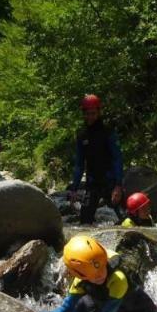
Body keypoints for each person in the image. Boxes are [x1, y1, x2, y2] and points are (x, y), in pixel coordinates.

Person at [67, 94, 124, 225]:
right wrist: (74, 188)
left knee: (126, 219)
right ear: (83, 113)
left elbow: (117, 158)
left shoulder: (108, 132)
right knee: (84, 223)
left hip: (110, 182)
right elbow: (79, 164)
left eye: (93, 113)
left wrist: (118, 185)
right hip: (92, 184)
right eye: (87, 113)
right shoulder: (82, 135)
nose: (90, 116)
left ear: (99, 112)